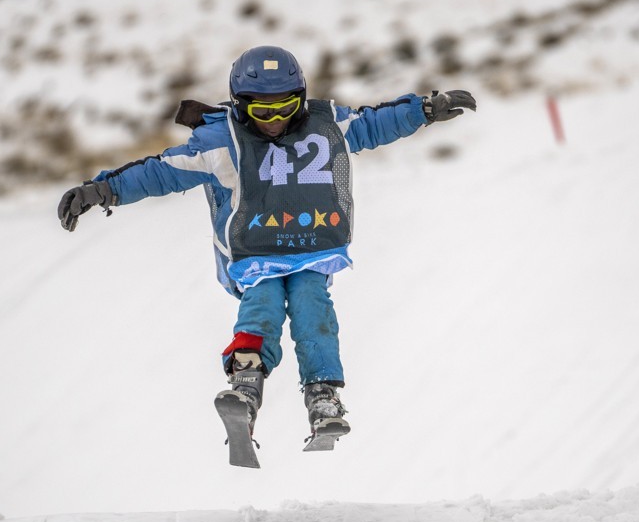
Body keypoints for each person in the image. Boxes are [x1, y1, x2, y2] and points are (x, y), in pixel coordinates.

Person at [57, 45, 475, 463]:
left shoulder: (328, 126)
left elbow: (374, 124)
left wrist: (424, 109)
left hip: (310, 246)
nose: (274, 121)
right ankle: (246, 380)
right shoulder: (223, 142)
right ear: (240, 107)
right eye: (262, 112)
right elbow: (161, 172)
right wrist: (102, 190)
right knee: (265, 301)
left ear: (302, 98)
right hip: (255, 251)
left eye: (285, 109)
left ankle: (322, 393)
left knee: (314, 305)